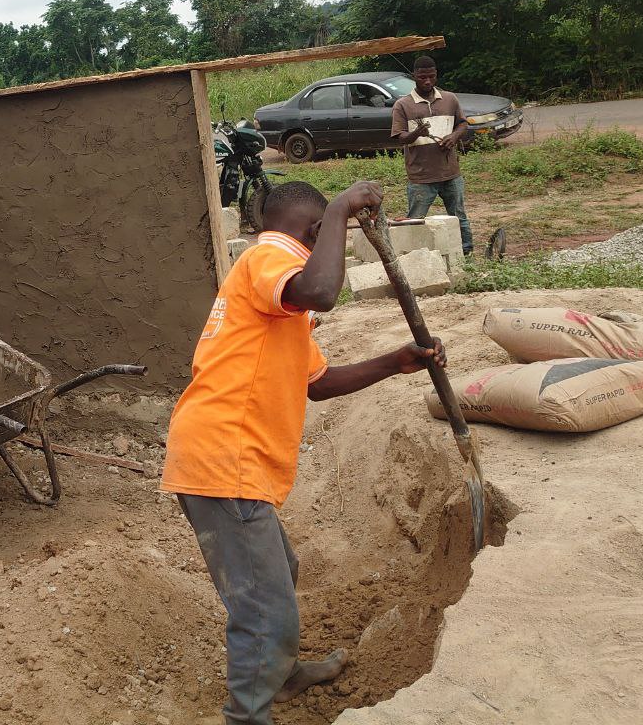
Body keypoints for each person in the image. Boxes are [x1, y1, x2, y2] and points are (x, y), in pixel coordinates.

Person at [161, 180, 446, 725]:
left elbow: (316, 381)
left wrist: (396, 361)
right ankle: (248, 716)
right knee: (264, 609)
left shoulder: (279, 300)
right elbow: (321, 291)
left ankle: (283, 673)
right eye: (328, 232)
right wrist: (340, 207)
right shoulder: (270, 257)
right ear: (316, 232)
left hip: (225, 455)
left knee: (277, 572)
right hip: (226, 458)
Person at [391, 55, 473, 255]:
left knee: (459, 218)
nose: (427, 81)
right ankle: (412, 256)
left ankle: (466, 254)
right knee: (415, 220)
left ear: (436, 75)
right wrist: (416, 134)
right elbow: (400, 138)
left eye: (431, 76)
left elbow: (463, 124)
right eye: (422, 77)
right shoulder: (403, 105)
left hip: (450, 174)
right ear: (414, 77)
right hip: (421, 177)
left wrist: (453, 137)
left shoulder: (449, 99)